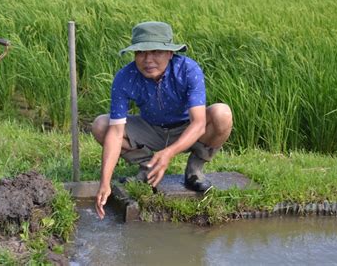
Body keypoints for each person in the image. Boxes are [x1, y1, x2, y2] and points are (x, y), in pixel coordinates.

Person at [92, 21, 233, 219]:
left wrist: (168, 154)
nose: (148, 59)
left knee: (222, 114)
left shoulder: (188, 70)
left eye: (156, 51)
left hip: (186, 129)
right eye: (141, 52)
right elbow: (115, 132)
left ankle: (195, 168)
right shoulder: (126, 76)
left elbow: (199, 123)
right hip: (150, 129)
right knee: (101, 125)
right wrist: (104, 182)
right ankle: (148, 167)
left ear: (170, 53)